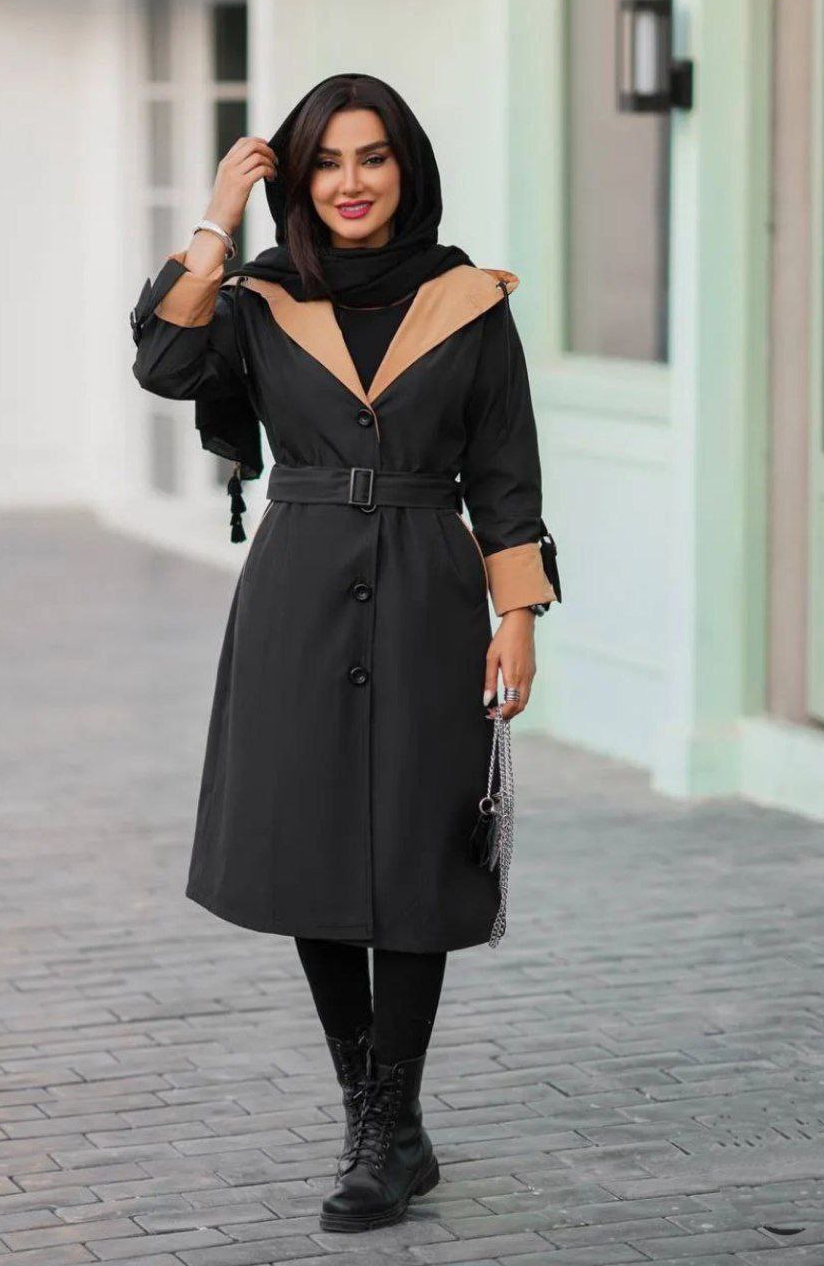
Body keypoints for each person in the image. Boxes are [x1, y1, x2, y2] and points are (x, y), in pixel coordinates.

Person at [129, 72, 561, 1234]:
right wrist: (216, 219)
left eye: (372, 157)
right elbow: (164, 365)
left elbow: (505, 470)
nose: (350, 181)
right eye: (326, 161)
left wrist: (517, 613)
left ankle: (390, 1119)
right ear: (300, 180)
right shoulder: (259, 297)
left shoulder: (468, 299)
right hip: (299, 588)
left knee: (415, 848)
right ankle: (381, 1121)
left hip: (428, 587)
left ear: (405, 168)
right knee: (312, 844)